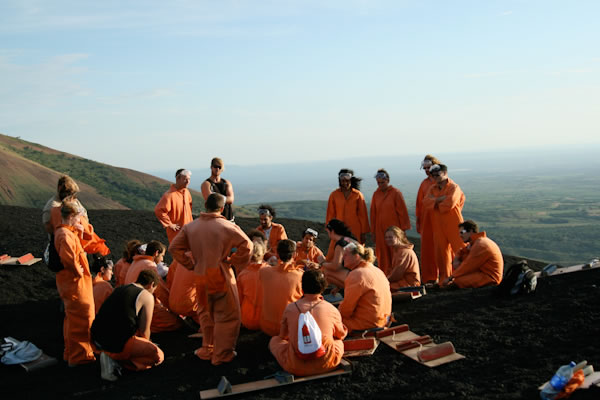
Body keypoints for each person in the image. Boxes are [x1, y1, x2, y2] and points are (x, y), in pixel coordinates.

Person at [169, 193, 253, 365]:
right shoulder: (226, 226)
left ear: (205, 205)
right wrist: (233, 261)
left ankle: (207, 349)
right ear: (222, 208)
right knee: (227, 316)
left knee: (206, 314)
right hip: (220, 275)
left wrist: (191, 264)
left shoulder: (190, 227)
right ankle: (222, 355)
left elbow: (174, 247)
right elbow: (248, 246)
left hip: (200, 275)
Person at [269, 269, 348, 376]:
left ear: (302, 287)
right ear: (323, 287)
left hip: (295, 366)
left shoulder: (290, 308)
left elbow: (283, 336)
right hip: (328, 364)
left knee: (274, 340)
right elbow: (341, 335)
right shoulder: (331, 309)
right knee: (337, 341)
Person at [92, 269, 165, 381]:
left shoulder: (120, 288)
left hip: (97, 338)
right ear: (152, 285)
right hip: (115, 343)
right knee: (158, 355)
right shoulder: (146, 295)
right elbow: (144, 331)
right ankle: (114, 359)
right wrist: (146, 345)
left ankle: (113, 356)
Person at [54, 201, 96, 366]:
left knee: (72, 318)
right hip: (75, 284)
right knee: (82, 317)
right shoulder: (64, 235)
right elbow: (69, 260)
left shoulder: (65, 232)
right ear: (71, 216)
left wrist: (78, 234)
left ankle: (71, 353)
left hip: (73, 283)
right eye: (79, 218)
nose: (80, 221)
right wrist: (80, 272)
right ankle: (80, 356)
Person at [123, 241, 182, 333]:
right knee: (176, 322)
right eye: (162, 255)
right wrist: (174, 309)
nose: (162, 259)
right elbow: (161, 292)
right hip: (138, 306)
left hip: (131, 303)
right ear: (156, 253)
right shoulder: (149, 266)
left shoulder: (137, 261)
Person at [422, 164, 466, 284]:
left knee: (461, 250)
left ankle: (464, 277)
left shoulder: (454, 187)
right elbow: (425, 202)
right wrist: (440, 199)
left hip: (454, 224)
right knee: (441, 254)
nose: (435, 177)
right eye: (433, 175)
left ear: (445, 173)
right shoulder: (432, 188)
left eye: (438, 174)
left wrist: (434, 201)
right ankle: (444, 280)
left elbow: (449, 204)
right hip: (438, 225)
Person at [45, 175, 110, 256]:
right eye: (69, 193)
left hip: (78, 243)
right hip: (66, 245)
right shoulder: (53, 207)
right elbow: (50, 228)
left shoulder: (73, 202)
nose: (72, 197)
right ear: (60, 189)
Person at [338, 243, 392, 332]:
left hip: (367, 324)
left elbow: (346, 311)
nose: (343, 258)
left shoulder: (357, 274)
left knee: (327, 319)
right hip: (384, 321)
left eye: (345, 255)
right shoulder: (377, 270)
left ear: (356, 256)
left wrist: (336, 312)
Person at [369, 169, 411, 276]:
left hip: (394, 230)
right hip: (380, 231)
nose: (380, 185)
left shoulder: (396, 193)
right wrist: (373, 232)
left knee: (395, 253)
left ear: (387, 180)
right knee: (383, 254)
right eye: (378, 183)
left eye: (382, 182)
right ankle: (384, 276)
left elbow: (402, 212)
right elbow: (373, 214)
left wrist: (403, 230)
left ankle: (397, 276)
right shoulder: (376, 194)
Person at [259, 240, 304, 337]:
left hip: (266, 325)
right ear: (295, 254)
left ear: (277, 254)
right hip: (288, 329)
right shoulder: (300, 276)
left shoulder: (264, 272)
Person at [442, 220, 504, 288]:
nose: (460, 235)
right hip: (483, 273)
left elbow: (468, 265)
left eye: (462, 232)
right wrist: (457, 258)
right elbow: (462, 251)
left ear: (471, 231)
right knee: (463, 258)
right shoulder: (477, 242)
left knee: (458, 281)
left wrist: (451, 277)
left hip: (490, 277)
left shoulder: (480, 245)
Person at [325, 169, 370, 261]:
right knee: (333, 255)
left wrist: (363, 232)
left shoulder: (357, 195)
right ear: (339, 181)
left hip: (355, 230)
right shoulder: (334, 195)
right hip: (338, 230)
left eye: (347, 181)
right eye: (342, 181)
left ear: (351, 181)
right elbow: (330, 213)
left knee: (356, 254)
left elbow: (363, 215)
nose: (345, 183)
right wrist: (329, 228)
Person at [415, 155, 442, 283]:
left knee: (442, 249)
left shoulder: (443, 183)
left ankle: (445, 276)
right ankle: (429, 278)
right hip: (426, 222)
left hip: (440, 221)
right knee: (427, 250)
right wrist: (419, 220)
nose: (426, 170)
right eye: (424, 168)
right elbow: (419, 204)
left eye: (428, 167)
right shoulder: (424, 184)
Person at [154, 169, 193, 243]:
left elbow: (190, 207)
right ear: (178, 178)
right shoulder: (169, 195)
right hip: (177, 232)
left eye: (189, 179)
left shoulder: (186, 192)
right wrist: (169, 224)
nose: (188, 182)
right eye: (185, 179)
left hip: (188, 231)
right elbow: (158, 210)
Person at [237, 240, 268, 330]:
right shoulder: (272, 272)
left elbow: (238, 301)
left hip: (248, 320)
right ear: (264, 253)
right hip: (268, 321)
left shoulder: (242, 275)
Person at [320, 219, 357, 289]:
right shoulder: (351, 239)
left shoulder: (341, 244)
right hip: (361, 273)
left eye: (328, 232)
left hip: (356, 277)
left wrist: (322, 262)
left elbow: (336, 266)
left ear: (332, 231)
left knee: (326, 271)